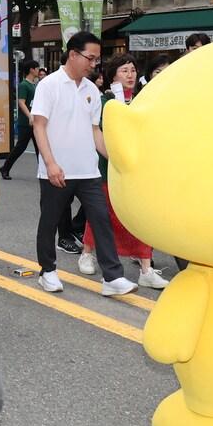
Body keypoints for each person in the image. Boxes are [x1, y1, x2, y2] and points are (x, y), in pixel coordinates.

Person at [30, 31, 138, 297]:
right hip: (56, 170)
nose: (94, 64)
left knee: (101, 219)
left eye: (97, 59)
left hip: (88, 170)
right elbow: (39, 126)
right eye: (90, 58)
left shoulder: (91, 89)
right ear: (73, 54)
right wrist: (50, 163)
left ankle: (112, 277)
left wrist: (115, 158)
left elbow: (95, 132)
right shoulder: (49, 85)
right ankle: (48, 271)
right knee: (50, 222)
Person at [78, 54, 169, 289]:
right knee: (103, 214)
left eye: (132, 70)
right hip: (107, 167)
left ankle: (146, 269)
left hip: (136, 169)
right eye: (124, 70)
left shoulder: (140, 100)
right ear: (112, 76)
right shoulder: (105, 101)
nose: (130, 75)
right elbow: (99, 132)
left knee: (140, 217)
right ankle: (87, 253)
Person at [0, 60, 40, 180]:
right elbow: (21, 102)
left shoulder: (34, 84)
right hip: (25, 122)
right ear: (31, 69)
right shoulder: (23, 85)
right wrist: (30, 116)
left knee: (40, 148)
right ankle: (5, 168)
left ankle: (44, 172)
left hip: (35, 122)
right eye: (37, 68)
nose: (38, 70)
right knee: (20, 147)